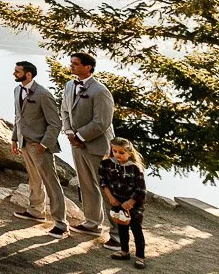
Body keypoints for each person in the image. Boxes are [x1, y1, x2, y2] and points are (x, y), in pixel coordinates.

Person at [60, 52, 117, 243]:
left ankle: (117, 234)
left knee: (106, 189)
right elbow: (65, 110)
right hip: (77, 145)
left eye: (75, 64)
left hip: (98, 146)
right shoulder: (69, 86)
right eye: (71, 63)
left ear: (88, 67)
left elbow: (102, 122)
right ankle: (92, 224)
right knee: (86, 185)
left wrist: (80, 136)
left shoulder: (100, 91)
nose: (71, 67)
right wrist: (69, 132)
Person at [10, 60, 68, 238]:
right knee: (34, 179)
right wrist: (14, 139)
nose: (14, 74)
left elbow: (55, 123)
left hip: (40, 146)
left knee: (51, 183)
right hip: (24, 143)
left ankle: (60, 223)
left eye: (17, 71)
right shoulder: (17, 90)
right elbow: (18, 117)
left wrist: (44, 144)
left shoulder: (43, 94)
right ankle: (35, 210)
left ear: (28, 74)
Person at [101, 138, 148, 269]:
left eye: (121, 152)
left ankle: (140, 256)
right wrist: (110, 197)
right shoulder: (107, 164)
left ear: (129, 152)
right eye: (114, 151)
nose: (117, 154)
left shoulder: (135, 168)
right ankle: (124, 251)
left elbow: (141, 189)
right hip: (117, 202)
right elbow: (103, 181)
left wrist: (131, 201)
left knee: (136, 229)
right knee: (122, 228)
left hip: (134, 204)